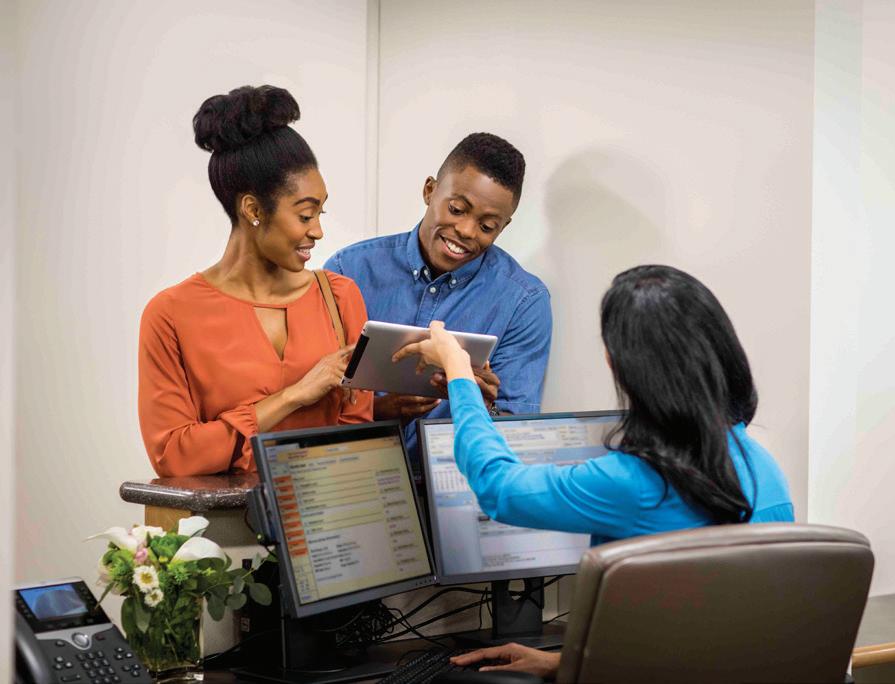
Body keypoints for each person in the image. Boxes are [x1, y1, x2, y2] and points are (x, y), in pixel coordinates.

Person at [393, 264, 794, 678]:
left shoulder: (635, 481)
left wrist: (458, 370)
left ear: (618, 363)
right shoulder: (761, 464)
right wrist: (562, 662)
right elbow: (704, 638)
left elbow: (499, 487)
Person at [138, 85, 372, 477]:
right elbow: (174, 457)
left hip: (328, 511)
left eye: (321, 213)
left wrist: (229, 443)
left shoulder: (340, 297)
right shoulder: (171, 315)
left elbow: (358, 442)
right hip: (223, 518)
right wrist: (294, 396)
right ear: (252, 209)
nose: (317, 231)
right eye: (304, 215)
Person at [323, 132, 551, 463]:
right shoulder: (349, 270)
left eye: (487, 226)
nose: (467, 231)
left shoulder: (524, 301)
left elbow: (517, 433)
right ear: (429, 190)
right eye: (457, 209)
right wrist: (379, 410)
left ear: (504, 227)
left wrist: (481, 405)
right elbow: (315, 394)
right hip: (356, 470)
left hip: (455, 482)